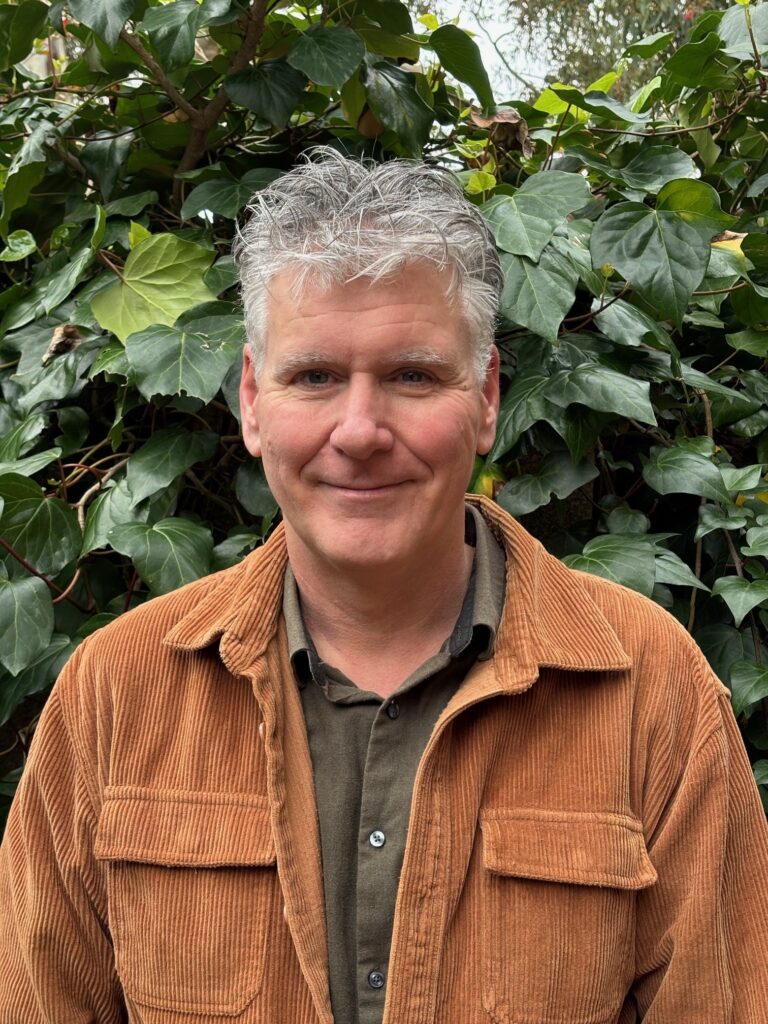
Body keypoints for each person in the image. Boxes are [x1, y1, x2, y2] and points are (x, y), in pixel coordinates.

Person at [1, 149, 767, 1024]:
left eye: (412, 375)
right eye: (314, 377)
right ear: (252, 400)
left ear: (486, 397)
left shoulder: (654, 691)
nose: (359, 431)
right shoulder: (114, 692)